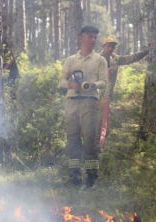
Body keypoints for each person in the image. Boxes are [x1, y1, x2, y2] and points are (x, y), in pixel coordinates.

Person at [59, 26, 108, 188]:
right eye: (90, 37)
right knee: (72, 140)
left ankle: (91, 178)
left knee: (89, 140)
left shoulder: (100, 60)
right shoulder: (71, 59)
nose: (93, 40)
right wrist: (71, 84)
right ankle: (74, 177)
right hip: (72, 102)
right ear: (81, 39)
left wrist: (92, 84)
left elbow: (104, 82)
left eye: (95, 37)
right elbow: (62, 81)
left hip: (89, 102)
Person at [98, 38, 150, 150]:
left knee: (103, 118)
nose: (111, 48)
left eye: (113, 46)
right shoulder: (96, 58)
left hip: (107, 94)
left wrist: (146, 51)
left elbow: (131, 58)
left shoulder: (116, 59)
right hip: (95, 93)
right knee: (97, 118)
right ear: (103, 46)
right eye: (109, 46)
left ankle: (100, 142)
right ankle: (96, 143)